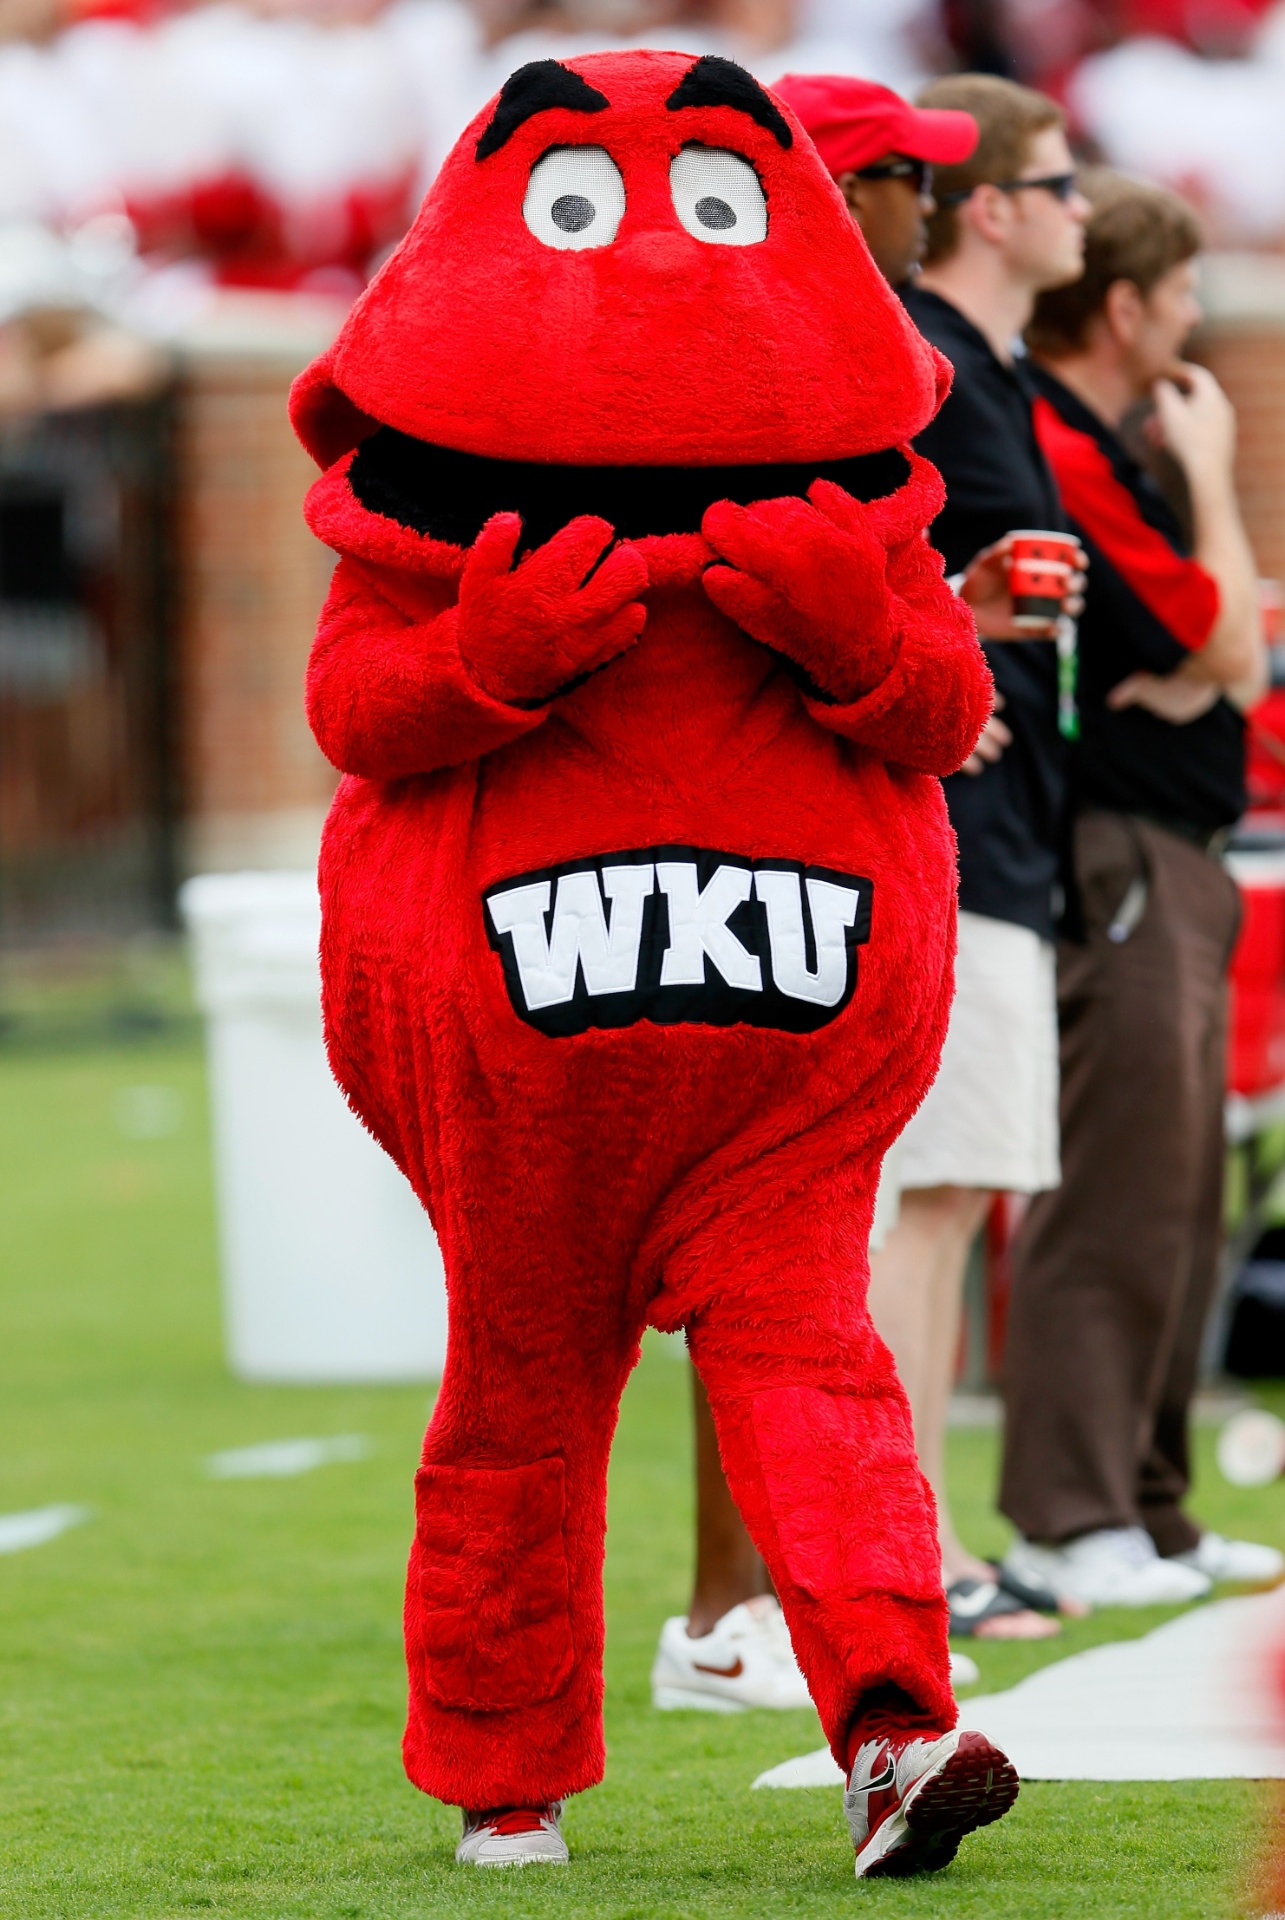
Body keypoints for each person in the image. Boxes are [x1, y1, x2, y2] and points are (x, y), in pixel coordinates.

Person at [296, 50, 1018, 1878]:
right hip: (524, 1065)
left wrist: (861, 640)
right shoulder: (427, 518)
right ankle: (502, 1776)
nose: (654, 265)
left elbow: (943, 712)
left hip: (772, 1063)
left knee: (814, 1373)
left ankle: (892, 1725)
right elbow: (354, 712)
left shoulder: (861, 517)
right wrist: (484, 656)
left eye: (711, 207)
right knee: (520, 1398)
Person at [651, 69, 987, 1714]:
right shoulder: (748, 377)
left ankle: (785, 1610)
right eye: (904, 182)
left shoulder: (876, 376)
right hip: (703, 890)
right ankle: (723, 1614)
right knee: (741, 1286)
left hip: (820, 873)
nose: (927, 208)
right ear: (837, 195)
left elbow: (933, 686)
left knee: (787, 1286)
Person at [998, 169, 1284, 1605]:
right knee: (1112, 1182)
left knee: (1175, 1183)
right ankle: (1066, 1510)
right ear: (1123, 305)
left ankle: (1150, 1506)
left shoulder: (1103, 439)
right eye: (1175, 302)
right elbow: (1220, 639)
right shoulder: (1058, 436)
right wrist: (1219, 481)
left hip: (1171, 845)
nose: (1185, 336)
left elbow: (1206, 658)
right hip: (1112, 848)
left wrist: (1198, 659)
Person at [872, 73, 1093, 1643]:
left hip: (1011, 825)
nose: (1078, 207)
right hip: (952, 824)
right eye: (1060, 184)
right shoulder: (925, 365)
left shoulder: (990, 370)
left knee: (956, 1194)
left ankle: (922, 1539)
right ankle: (909, 1545)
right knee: (927, 1200)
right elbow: (848, 572)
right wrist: (940, 651)